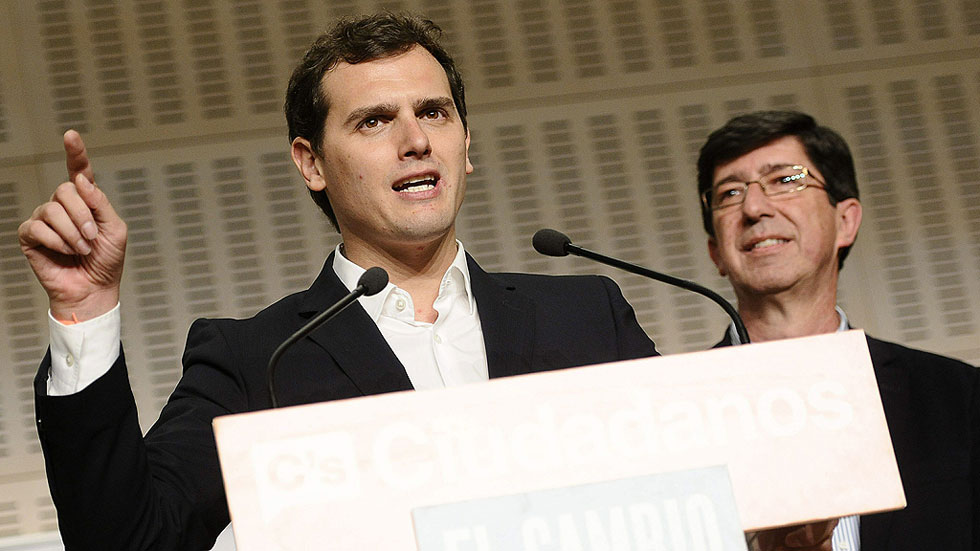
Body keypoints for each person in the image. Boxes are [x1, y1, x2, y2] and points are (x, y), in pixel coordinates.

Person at [19, 13, 657, 550]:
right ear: (312, 164)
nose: (416, 140)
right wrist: (86, 311)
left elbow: (696, 485)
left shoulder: (587, 315)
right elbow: (130, 542)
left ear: (466, 144)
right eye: (374, 121)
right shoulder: (256, 361)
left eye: (434, 112)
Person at [696, 110, 979, 551]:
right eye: (729, 193)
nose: (753, 208)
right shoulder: (670, 413)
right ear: (716, 251)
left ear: (845, 221)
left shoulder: (958, 396)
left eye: (785, 180)